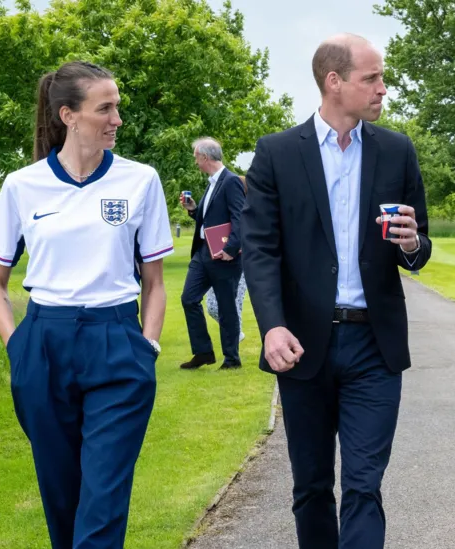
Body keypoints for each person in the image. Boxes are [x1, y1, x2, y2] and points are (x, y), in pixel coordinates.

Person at [241, 33, 432, 549]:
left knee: (364, 486)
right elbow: (259, 249)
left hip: (375, 345)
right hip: (302, 344)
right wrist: (272, 326)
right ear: (334, 82)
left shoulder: (396, 150)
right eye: (371, 78)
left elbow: (419, 245)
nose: (382, 89)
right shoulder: (277, 153)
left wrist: (414, 243)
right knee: (311, 487)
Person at [0, 60, 173, 549]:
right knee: (61, 497)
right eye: (105, 108)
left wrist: (147, 346)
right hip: (43, 344)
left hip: (118, 344)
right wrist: (18, 346)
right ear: (68, 115)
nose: (118, 119)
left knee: (103, 497)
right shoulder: (22, 185)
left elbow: (154, 282)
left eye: (117, 107)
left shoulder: (140, 180)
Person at [179, 137, 246, 370]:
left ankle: (232, 359)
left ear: (205, 157)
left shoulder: (230, 181)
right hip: (202, 254)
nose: (196, 162)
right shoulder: (212, 183)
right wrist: (193, 210)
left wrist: (230, 249)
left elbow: (241, 217)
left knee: (227, 308)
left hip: (224, 256)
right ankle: (203, 352)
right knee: (188, 299)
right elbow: (209, 220)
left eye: (197, 157)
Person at [205, 175, 248, 343]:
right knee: (212, 306)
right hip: (218, 259)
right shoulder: (225, 210)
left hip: (240, 263)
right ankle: (236, 333)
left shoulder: (249, 212)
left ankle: (233, 342)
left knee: (232, 304)